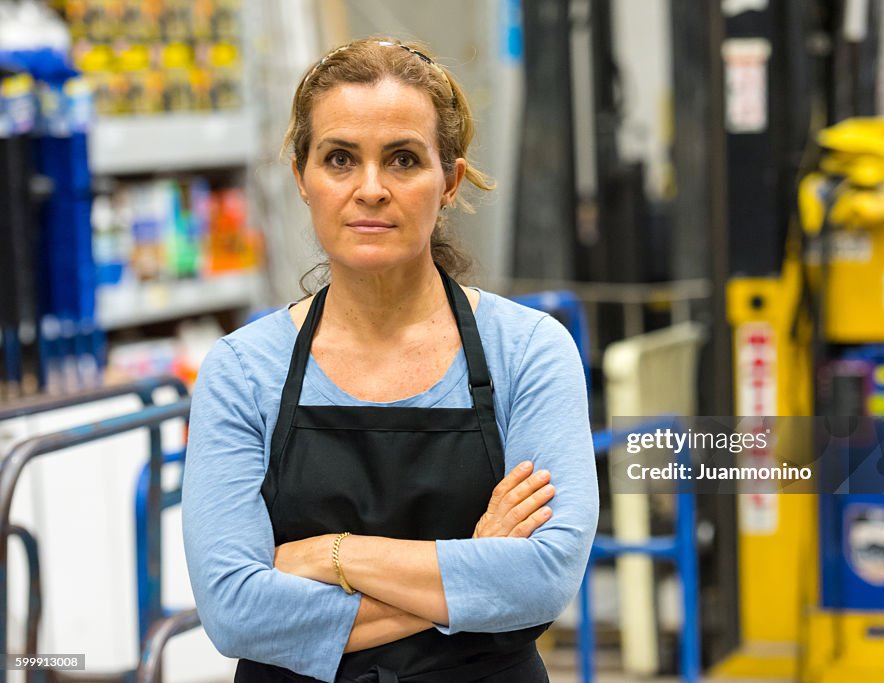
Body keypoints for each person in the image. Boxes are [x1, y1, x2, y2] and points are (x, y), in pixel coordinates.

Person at [182, 37, 598, 683]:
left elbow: (542, 578)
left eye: (403, 159)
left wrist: (332, 554)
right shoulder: (243, 371)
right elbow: (236, 612)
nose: (370, 189)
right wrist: (474, 565)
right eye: (340, 158)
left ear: (450, 181)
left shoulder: (529, 351)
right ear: (302, 177)